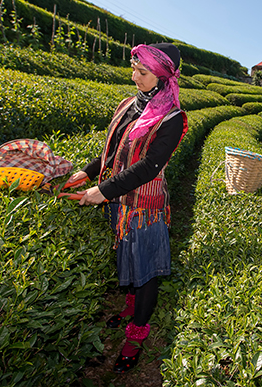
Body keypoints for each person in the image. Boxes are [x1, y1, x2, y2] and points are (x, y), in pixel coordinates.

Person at [66, 43, 187, 373]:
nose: (134, 76)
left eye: (142, 72)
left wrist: (101, 191)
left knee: (146, 271)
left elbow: (148, 166)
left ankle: (136, 335)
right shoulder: (127, 105)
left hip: (144, 206)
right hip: (118, 200)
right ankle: (129, 306)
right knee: (126, 257)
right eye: (134, 69)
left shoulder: (172, 119)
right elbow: (114, 147)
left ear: (162, 77)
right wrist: (88, 172)